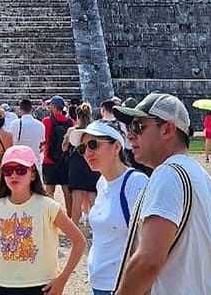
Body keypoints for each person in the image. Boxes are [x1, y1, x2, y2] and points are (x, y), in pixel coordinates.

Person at [112, 93, 211, 295]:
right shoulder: (201, 177)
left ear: (168, 129)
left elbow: (149, 260)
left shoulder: (168, 174)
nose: (130, 135)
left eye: (138, 127)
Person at [0, 145, 86, 295]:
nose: (14, 175)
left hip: (42, 286)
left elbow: (79, 241)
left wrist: (62, 279)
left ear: (33, 174)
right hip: (5, 286)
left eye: (20, 170)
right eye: (8, 171)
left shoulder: (48, 206)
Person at [72, 120, 148, 295]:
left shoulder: (135, 183)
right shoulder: (102, 182)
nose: (87, 153)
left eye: (93, 144)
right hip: (99, 281)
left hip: (122, 285)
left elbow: (147, 244)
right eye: (82, 149)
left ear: (116, 147)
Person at [63, 102, 99, 226]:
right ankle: (96, 227)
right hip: (90, 162)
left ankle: (75, 228)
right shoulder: (94, 130)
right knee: (93, 198)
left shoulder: (72, 130)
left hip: (76, 164)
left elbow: (64, 147)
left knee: (76, 199)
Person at [41, 96, 74, 218]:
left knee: (49, 191)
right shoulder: (70, 123)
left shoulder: (46, 121)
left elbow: (44, 139)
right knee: (67, 191)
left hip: (49, 160)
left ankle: (51, 217)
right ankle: (70, 217)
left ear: (54, 107)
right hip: (65, 160)